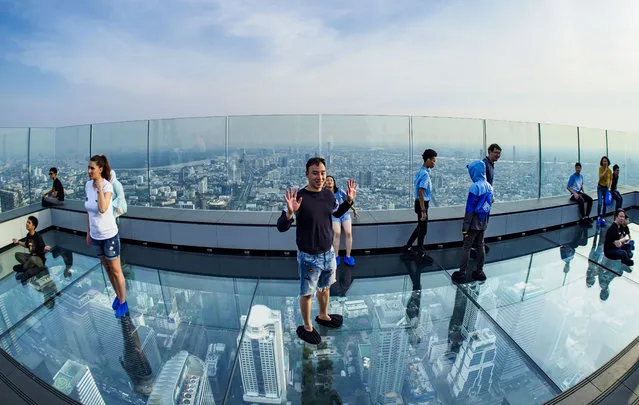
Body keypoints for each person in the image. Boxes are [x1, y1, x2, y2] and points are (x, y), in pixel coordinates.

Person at [277, 157, 356, 344]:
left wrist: (349, 201)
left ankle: (323, 315)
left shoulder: (329, 195)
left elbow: (336, 213)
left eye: (322, 173)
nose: (320, 177)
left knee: (325, 287)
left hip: (328, 253)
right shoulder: (298, 197)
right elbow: (281, 227)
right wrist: (289, 213)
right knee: (307, 293)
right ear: (306, 174)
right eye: (315, 173)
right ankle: (307, 327)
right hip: (308, 257)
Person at [86, 155, 128, 317]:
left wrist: (99, 188)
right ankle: (118, 296)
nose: (89, 171)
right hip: (96, 236)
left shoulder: (108, 186)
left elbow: (103, 208)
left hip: (109, 235)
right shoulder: (87, 185)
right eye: (88, 168)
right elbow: (88, 211)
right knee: (108, 270)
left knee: (116, 271)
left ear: (100, 169)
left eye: (92, 168)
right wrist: (88, 232)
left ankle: (123, 302)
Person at [451, 160, 493, 283]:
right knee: (480, 246)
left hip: (473, 222)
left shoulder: (475, 187)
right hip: (483, 221)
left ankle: (462, 272)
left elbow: (470, 209)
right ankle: (479, 271)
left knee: (466, 247)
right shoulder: (489, 186)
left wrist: (465, 227)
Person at [403, 149, 437, 259]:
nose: (434, 163)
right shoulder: (425, 175)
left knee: (420, 227)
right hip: (422, 204)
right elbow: (421, 192)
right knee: (423, 229)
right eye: (433, 160)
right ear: (427, 160)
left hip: (418, 203)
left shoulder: (421, 172)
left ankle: (408, 246)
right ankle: (420, 251)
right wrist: (423, 211)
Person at [325, 175, 358, 267]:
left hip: (345, 214)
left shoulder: (339, 191)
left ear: (334, 182)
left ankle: (348, 256)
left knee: (348, 233)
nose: (329, 181)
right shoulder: (324, 193)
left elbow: (348, 200)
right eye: (327, 180)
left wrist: (354, 209)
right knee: (337, 233)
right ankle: (336, 256)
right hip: (334, 215)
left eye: (331, 180)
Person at [596, 156, 612, 226]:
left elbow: (611, 179)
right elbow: (600, 176)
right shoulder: (600, 169)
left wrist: (610, 187)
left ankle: (603, 217)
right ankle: (598, 217)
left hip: (606, 188)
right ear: (601, 162)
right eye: (603, 161)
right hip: (600, 187)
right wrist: (605, 170)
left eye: (606, 161)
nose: (605, 162)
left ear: (608, 162)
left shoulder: (610, 171)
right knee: (600, 203)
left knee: (605, 204)